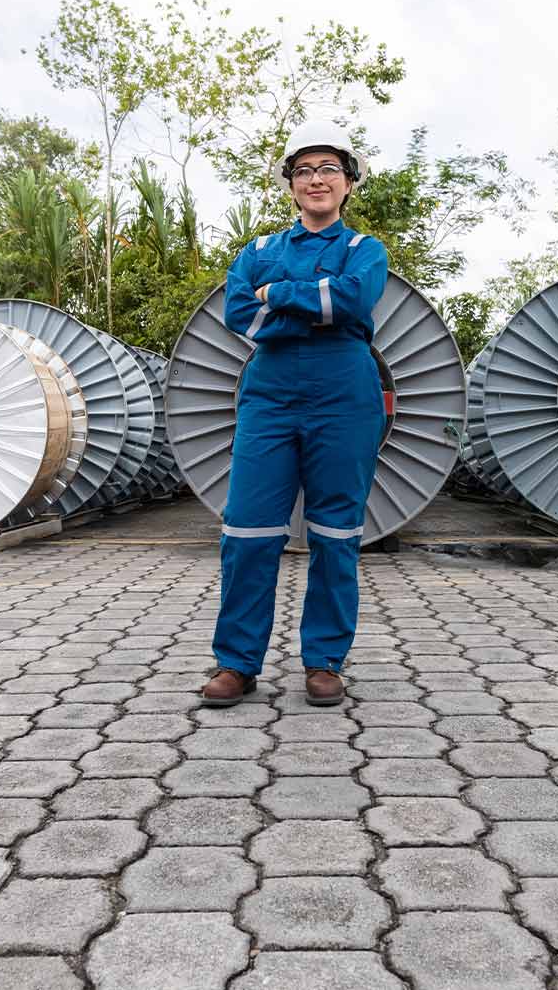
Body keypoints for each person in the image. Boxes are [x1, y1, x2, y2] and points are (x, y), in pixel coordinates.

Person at [200, 120, 389, 707]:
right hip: (271, 393)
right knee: (248, 528)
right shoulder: (257, 251)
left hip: (345, 392)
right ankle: (237, 662)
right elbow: (240, 315)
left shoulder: (365, 251)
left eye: (328, 169)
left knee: (336, 532)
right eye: (303, 170)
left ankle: (325, 660)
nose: (316, 180)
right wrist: (315, 301)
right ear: (289, 184)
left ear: (349, 183)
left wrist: (278, 293)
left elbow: (353, 299)